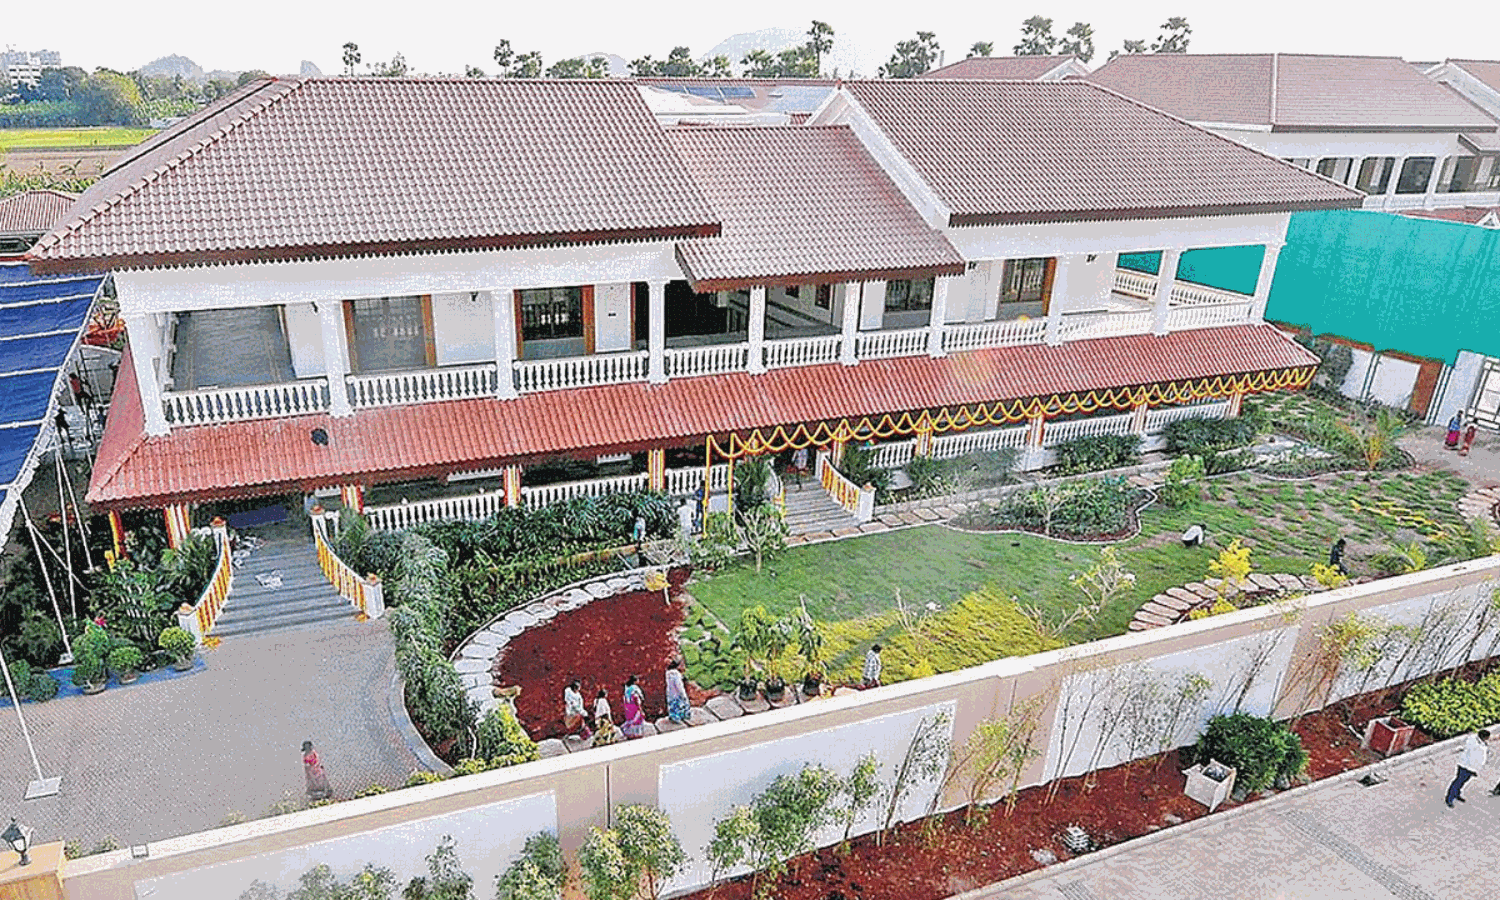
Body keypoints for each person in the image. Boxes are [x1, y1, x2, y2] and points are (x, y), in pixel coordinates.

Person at [1447, 728, 1489, 807]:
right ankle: (1450, 798)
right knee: (1458, 782)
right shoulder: (1476, 744)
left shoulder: (1477, 741)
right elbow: (1475, 756)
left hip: (1470, 767)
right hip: (1466, 766)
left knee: (1462, 782)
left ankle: (1456, 794)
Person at [665, 660, 691, 725]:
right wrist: (683, 694)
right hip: (677, 693)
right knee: (681, 704)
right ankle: (682, 716)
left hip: (670, 692)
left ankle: (673, 717)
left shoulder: (668, 673)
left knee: (673, 705)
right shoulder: (676, 674)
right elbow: (679, 685)